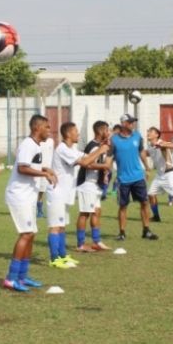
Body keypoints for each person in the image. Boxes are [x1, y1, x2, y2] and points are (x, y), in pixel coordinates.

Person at [2, 115, 56, 292]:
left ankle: (22, 276)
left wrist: (46, 169)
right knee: (26, 234)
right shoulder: (28, 144)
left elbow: (32, 165)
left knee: (31, 234)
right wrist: (44, 175)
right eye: (47, 127)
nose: (50, 130)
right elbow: (22, 168)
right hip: (19, 196)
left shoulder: (36, 146)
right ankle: (11, 278)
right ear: (37, 128)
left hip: (29, 196)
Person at [46, 122, 110, 268]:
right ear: (68, 134)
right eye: (76, 131)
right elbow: (86, 162)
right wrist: (101, 150)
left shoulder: (71, 148)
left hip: (65, 194)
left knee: (61, 226)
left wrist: (102, 151)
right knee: (55, 227)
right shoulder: (62, 149)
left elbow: (88, 158)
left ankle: (62, 256)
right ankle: (54, 258)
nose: (78, 134)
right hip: (57, 193)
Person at [110, 114, 158, 241]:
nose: (133, 124)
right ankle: (122, 232)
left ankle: (146, 230)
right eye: (130, 122)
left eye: (133, 122)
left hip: (138, 177)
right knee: (123, 206)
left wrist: (147, 167)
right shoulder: (114, 140)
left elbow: (141, 151)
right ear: (123, 124)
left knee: (144, 202)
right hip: (123, 179)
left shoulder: (137, 136)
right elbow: (109, 157)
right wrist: (106, 172)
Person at [75, 121, 113, 252]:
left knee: (97, 212)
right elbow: (87, 164)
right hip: (87, 184)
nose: (109, 133)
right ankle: (80, 244)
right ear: (101, 131)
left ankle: (96, 241)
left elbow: (102, 163)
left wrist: (105, 172)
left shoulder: (102, 145)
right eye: (107, 130)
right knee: (85, 213)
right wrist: (104, 167)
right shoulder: (92, 146)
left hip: (95, 185)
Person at [36, 134, 55, 218]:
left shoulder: (51, 141)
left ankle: (51, 212)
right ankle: (39, 211)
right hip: (38, 170)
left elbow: (52, 155)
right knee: (38, 191)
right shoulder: (36, 142)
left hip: (49, 170)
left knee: (48, 191)